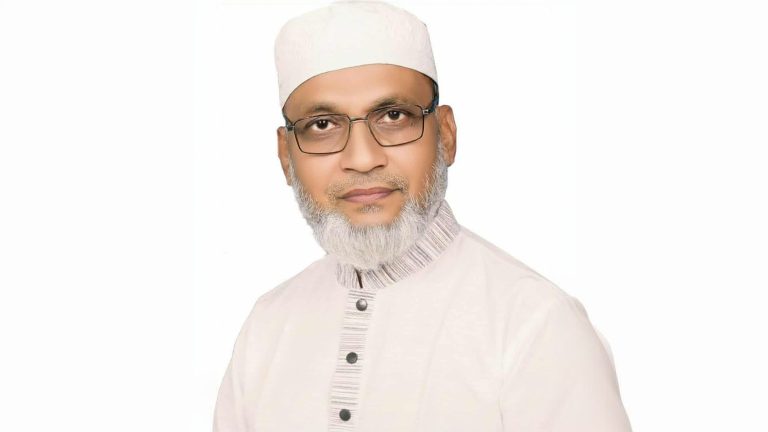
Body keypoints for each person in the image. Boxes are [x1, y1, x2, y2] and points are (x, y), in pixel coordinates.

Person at [213, 1, 633, 431]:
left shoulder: (534, 325)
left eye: (393, 116)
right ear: (286, 157)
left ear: (445, 135)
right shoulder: (266, 329)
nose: (362, 158)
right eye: (322, 125)